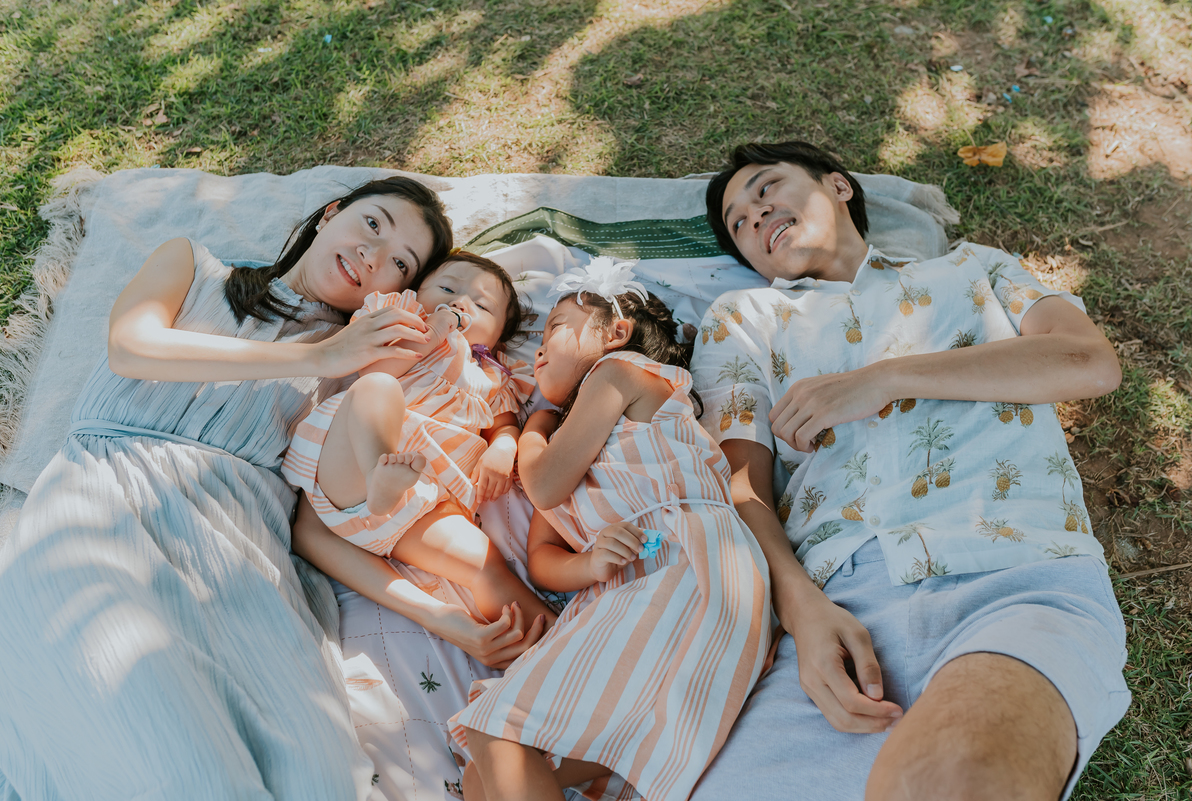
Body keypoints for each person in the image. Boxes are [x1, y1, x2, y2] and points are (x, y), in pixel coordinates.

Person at [0, 177, 542, 801]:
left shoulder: (366, 367)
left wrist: (446, 619)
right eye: (373, 225)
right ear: (331, 213)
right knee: (180, 768)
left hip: (243, 555)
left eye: (399, 264)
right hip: (108, 503)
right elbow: (131, 347)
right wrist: (319, 359)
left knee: (322, 777)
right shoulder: (191, 265)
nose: (374, 256)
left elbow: (313, 528)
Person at [688, 141, 1129, 801]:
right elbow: (739, 484)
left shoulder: (972, 268)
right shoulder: (741, 322)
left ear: (838, 186)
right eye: (739, 224)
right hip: (838, 617)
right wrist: (801, 609)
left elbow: (1088, 361)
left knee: (956, 780)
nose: (755, 217)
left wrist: (885, 379)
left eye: (765, 188)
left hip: (1014, 575)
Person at [450, 258, 772, 801]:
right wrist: (590, 563)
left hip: (683, 564)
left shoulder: (620, 376)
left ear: (617, 334)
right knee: (479, 775)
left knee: (495, 732)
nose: (538, 350)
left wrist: (533, 423)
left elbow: (546, 485)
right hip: (622, 589)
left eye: (554, 329)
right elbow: (543, 559)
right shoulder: (569, 445)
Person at [282, 251, 555, 627]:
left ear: (496, 339)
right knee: (379, 387)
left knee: (483, 563)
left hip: (421, 502)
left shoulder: (493, 376)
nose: (461, 302)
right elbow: (378, 367)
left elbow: (505, 424)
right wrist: (435, 329)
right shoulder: (401, 319)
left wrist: (504, 445)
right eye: (447, 288)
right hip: (349, 468)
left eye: (482, 306)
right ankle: (379, 473)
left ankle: (557, 640)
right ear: (415, 291)